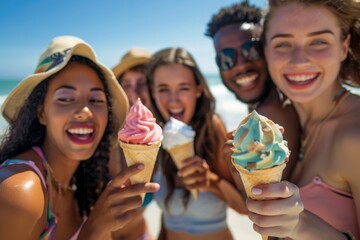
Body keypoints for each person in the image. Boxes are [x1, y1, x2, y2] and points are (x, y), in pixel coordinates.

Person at [0, 35, 160, 239]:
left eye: (96, 99)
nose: (85, 111)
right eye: (66, 98)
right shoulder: (20, 192)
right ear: (41, 112)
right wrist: (94, 228)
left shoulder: (82, 178)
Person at [244, 0, 360, 239]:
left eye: (319, 41)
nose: (299, 60)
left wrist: (300, 225)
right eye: (283, 44)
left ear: (343, 46)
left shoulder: (355, 135)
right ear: (266, 51)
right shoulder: (281, 125)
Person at [146, 47, 247, 240]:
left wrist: (209, 181)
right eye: (163, 89)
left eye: (183, 88)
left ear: (198, 89)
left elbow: (244, 208)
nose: (173, 99)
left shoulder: (213, 129)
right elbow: (166, 220)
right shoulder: (153, 138)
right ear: (153, 91)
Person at [205, 2, 301, 184]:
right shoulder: (267, 105)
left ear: (268, 51)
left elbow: (259, 200)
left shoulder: (273, 112)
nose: (241, 65)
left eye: (252, 50)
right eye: (227, 58)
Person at [110, 49, 155, 239]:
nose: (133, 92)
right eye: (126, 84)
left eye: (142, 82)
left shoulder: (160, 138)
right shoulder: (101, 136)